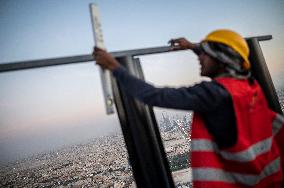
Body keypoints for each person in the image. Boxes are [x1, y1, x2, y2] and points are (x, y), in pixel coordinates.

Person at [93, 29, 284, 187]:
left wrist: (115, 67)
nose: (199, 58)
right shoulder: (249, 85)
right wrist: (192, 46)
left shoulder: (212, 94)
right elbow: (222, 56)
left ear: (220, 58)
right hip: (270, 176)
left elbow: (153, 95)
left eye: (204, 54)